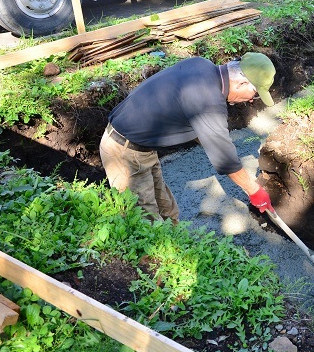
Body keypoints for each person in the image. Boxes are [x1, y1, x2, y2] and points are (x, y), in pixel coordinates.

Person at [99, 52, 278, 224]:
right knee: (145, 225)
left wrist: (218, 143)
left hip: (142, 147)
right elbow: (225, 160)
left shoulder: (201, 65)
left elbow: (208, 134)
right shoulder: (209, 101)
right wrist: (254, 191)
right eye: (254, 94)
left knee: (168, 213)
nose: (252, 100)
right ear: (241, 83)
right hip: (123, 152)